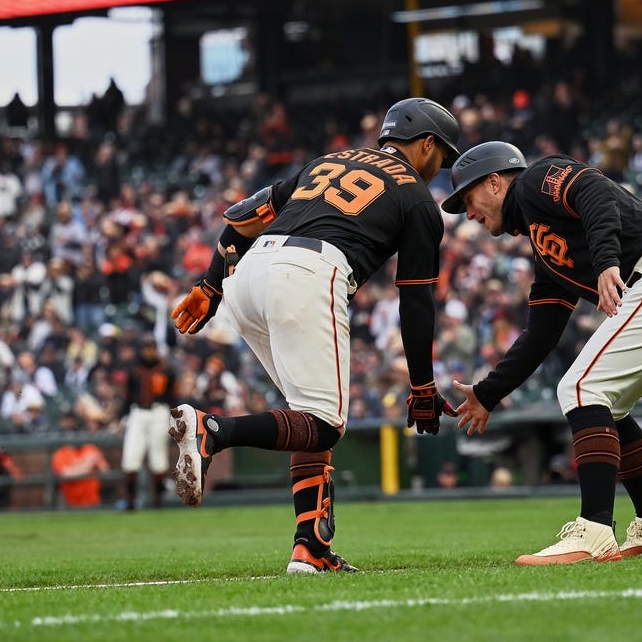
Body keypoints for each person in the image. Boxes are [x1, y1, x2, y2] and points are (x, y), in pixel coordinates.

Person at [168, 97, 461, 574]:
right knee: (324, 421)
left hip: (248, 274)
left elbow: (240, 218)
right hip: (308, 272)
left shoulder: (329, 161)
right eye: (443, 156)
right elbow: (415, 301)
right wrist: (423, 385)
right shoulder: (417, 198)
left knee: (307, 414)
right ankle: (214, 431)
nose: (440, 168)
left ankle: (311, 549)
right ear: (426, 144)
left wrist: (208, 284)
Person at [443, 140, 642, 565]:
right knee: (603, 401)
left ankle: (593, 530)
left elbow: (593, 189)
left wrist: (605, 261)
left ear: (494, 182)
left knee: (580, 389)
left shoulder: (533, 182)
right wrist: (488, 393)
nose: (467, 213)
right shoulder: (546, 249)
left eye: (468, 199)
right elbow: (540, 334)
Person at [120, 334, 175, 510]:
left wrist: (175, 417)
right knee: (131, 458)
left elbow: (174, 396)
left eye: (151, 348)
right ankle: (130, 501)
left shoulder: (166, 369)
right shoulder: (133, 370)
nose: (149, 351)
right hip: (138, 412)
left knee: (158, 459)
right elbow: (127, 397)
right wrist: (122, 417)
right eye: (146, 348)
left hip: (159, 411)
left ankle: (158, 501)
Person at [51, 411, 110, 508]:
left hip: (94, 503)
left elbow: (106, 471)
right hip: (71, 505)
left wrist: (79, 469)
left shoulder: (90, 448)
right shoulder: (60, 453)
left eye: (72, 423)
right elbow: (66, 475)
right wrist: (87, 465)